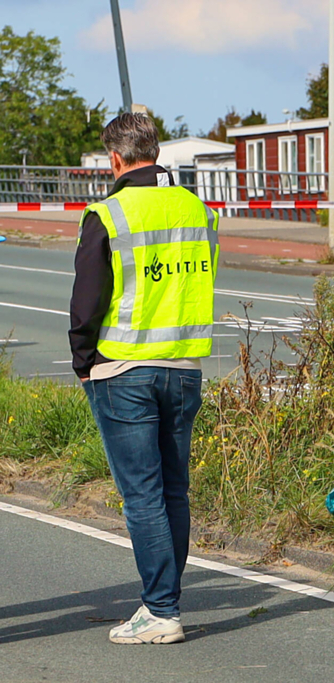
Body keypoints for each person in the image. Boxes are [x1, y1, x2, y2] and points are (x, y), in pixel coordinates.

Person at [68, 112, 219, 644]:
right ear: (154, 149)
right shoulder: (198, 211)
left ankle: (160, 610)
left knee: (143, 495)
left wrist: (83, 361)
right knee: (173, 491)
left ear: (114, 158)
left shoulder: (108, 214)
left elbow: (87, 301)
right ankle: (164, 602)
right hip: (184, 368)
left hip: (123, 368)